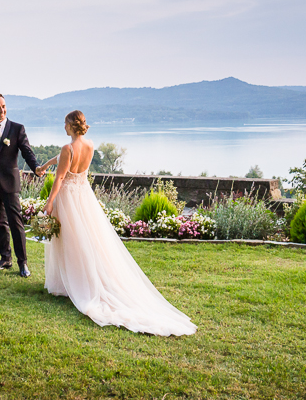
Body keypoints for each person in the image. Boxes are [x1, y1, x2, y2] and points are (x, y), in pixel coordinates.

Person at [36, 110, 197, 336]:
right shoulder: (89, 145)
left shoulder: (67, 148)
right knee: (88, 239)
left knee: (70, 240)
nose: (63, 126)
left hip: (69, 199)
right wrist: (45, 166)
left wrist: (50, 202)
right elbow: (63, 159)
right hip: (84, 197)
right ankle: (75, 281)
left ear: (71, 125)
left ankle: (76, 283)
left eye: (65, 123)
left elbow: (61, 176)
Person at [0, 93, 41, 278]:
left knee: (15, 222)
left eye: (3, 106)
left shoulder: (17, 129)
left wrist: (36, 167)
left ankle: (23, 263)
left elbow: (27, 151)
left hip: (9, 183)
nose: (2, 110)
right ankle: (5, 259)